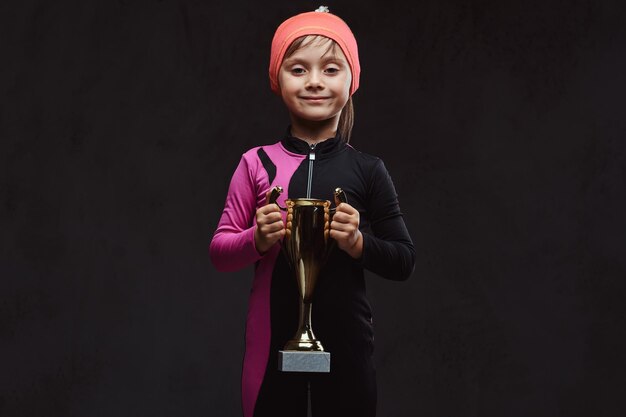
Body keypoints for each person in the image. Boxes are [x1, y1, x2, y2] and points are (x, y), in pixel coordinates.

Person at [209, 7, 415, 417]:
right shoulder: (256, 163)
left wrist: (358, 243)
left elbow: (403, 260)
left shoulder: (368, 170)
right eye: (298, 69)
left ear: (352, 80)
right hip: (271, 343)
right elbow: (220, 251)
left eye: (331, 69)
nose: (315, 82)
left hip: (347, 344)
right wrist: (257, 238)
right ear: (277, 79)